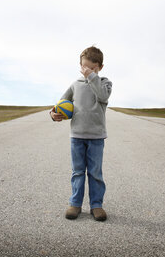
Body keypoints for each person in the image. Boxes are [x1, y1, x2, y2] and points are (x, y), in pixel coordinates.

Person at [49, 46, 112, 221]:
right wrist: (53, 114)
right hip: (76, 136)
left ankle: (96, 205)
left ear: (99, 67)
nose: (87, 71)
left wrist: (91, 77)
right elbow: (60, 103)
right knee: (77, 172)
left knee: (95, 173)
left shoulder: (105, 83)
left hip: (96, 137)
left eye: (91, 68)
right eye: (84, 67)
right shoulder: (75, 85)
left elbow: (102, 96)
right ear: (80, 65)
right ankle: (75, 203)